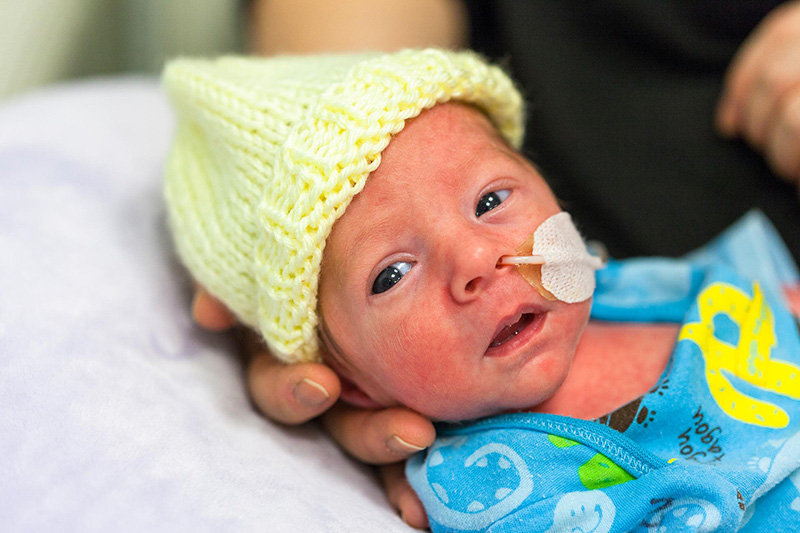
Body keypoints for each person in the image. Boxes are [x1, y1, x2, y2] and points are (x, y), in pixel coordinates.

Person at [194, 1, 800, 526]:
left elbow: (746, 294)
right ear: (353, 383)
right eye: (392, 273)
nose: (479, 259)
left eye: (490, 201)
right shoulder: (480, 487)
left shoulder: (637, 286)